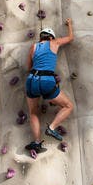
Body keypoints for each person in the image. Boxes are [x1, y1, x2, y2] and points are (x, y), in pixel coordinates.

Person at [24, 18, 74, 153]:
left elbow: (28, 67)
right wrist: (69, 24)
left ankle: (37, 142)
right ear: (51, 37)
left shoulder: (33, 47)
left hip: (31, 80)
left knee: (33, 112)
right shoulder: (54, 42)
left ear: (41, 37)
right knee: (68, 106)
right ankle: (51, 128)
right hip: (46, 80)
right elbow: (70, 38)